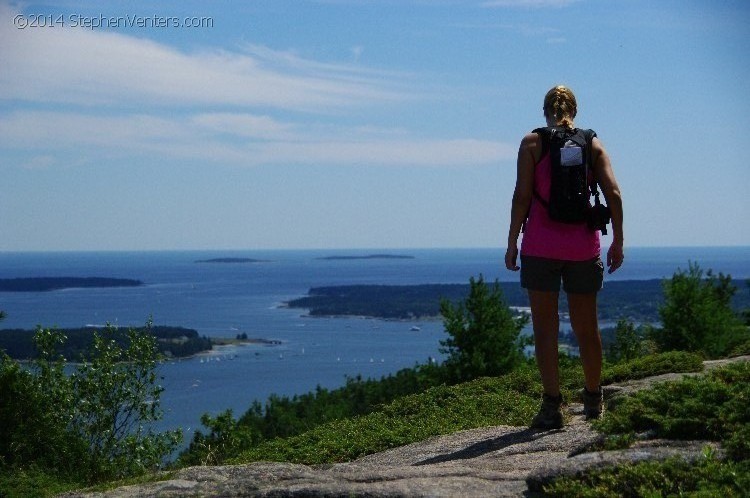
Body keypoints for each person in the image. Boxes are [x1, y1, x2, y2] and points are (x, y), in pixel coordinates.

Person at [505, 85, 624, 429]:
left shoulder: (532, 143)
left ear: (545, 111)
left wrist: (512, 241)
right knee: (586, 327)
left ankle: (553, 406)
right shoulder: (592, 143)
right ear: (575, 109)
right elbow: (613, 193)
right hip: (583, 248)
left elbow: (521, 197)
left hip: (541, 246)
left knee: (545, 329)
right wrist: (618, 240)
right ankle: (592, 399)